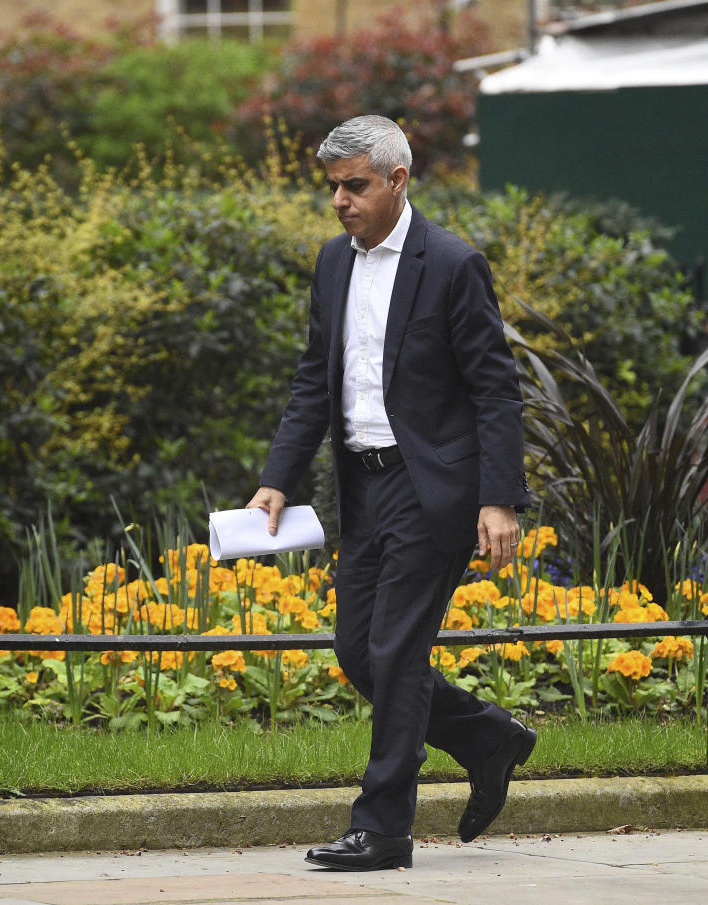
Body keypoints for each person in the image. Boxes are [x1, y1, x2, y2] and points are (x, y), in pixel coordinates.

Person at [246, 115, 536, 871]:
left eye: (355, 185)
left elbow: (495, 392)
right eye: (332, 188)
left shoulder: (451, 263)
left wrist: (498, 499)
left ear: (397, 180)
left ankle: (381, 827)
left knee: (397, 651)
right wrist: (276, 479)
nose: (340, 200)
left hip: (429, 488)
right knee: (358, 655)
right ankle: (485, 736)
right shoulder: (331, 264)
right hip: (362, 488)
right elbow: (315, 379)